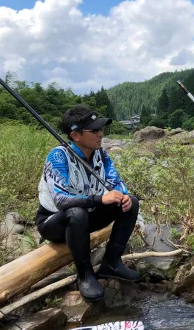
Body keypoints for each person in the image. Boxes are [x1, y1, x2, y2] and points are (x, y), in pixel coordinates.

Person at [36, 105, 140, 301]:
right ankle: (85, 274)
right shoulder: (58, 157)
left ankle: (112, 263)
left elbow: (115, 182)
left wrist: (123, 196)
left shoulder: (101, 154)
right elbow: (61, 201)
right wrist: (99, 199)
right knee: (76, 213)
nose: (101, 134)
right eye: (94, 130)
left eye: (101, 129)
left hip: (86, 216)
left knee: (131, 202)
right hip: (55, 222)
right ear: (75, 135)